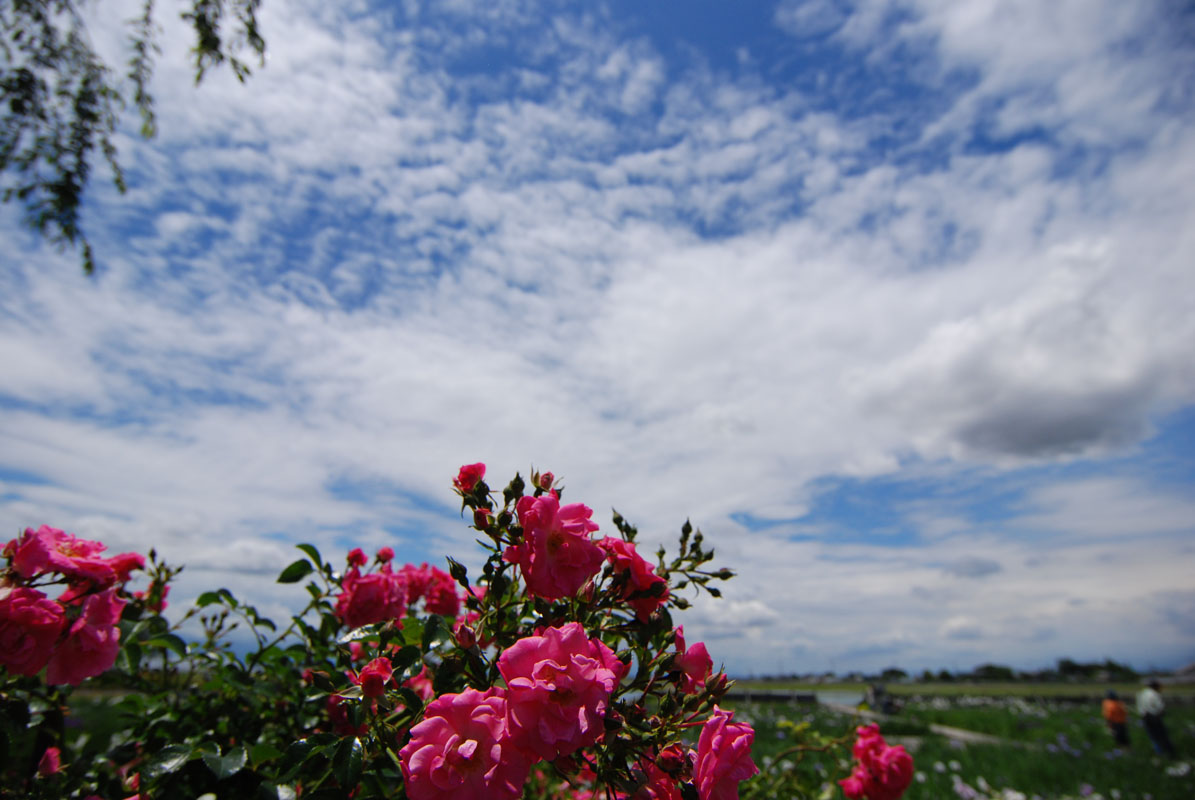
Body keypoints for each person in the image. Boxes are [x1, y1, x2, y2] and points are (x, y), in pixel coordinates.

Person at [1136, 680, 1176, 757]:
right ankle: (1169, 754)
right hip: (1154, 717)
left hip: (1145, 717)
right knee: (1162, 736)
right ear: (1155, 686)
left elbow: (1139, 707)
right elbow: (1160, 707)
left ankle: (1159, 753)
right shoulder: (1154, 694)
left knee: (1153, 737)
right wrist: (1162, 713)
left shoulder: (1142, 693)